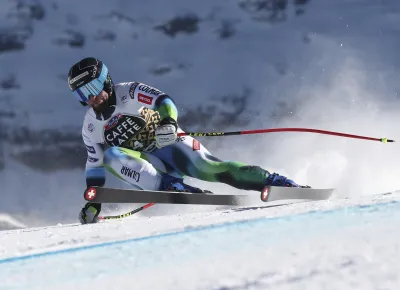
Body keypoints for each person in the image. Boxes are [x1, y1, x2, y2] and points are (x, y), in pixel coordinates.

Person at [67, 57, 308, 224]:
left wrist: (169, 123)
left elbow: (164, 101)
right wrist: (95, 202)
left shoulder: (129, 92)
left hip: (168, 143)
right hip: (145, 162)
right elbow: (95, 165)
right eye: (82, 93)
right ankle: (166, 185)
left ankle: (275, 182)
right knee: (110, 156)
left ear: (105, 80)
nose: (90, 98)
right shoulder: (90, 126)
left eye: (93, 88)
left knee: (212, 168)